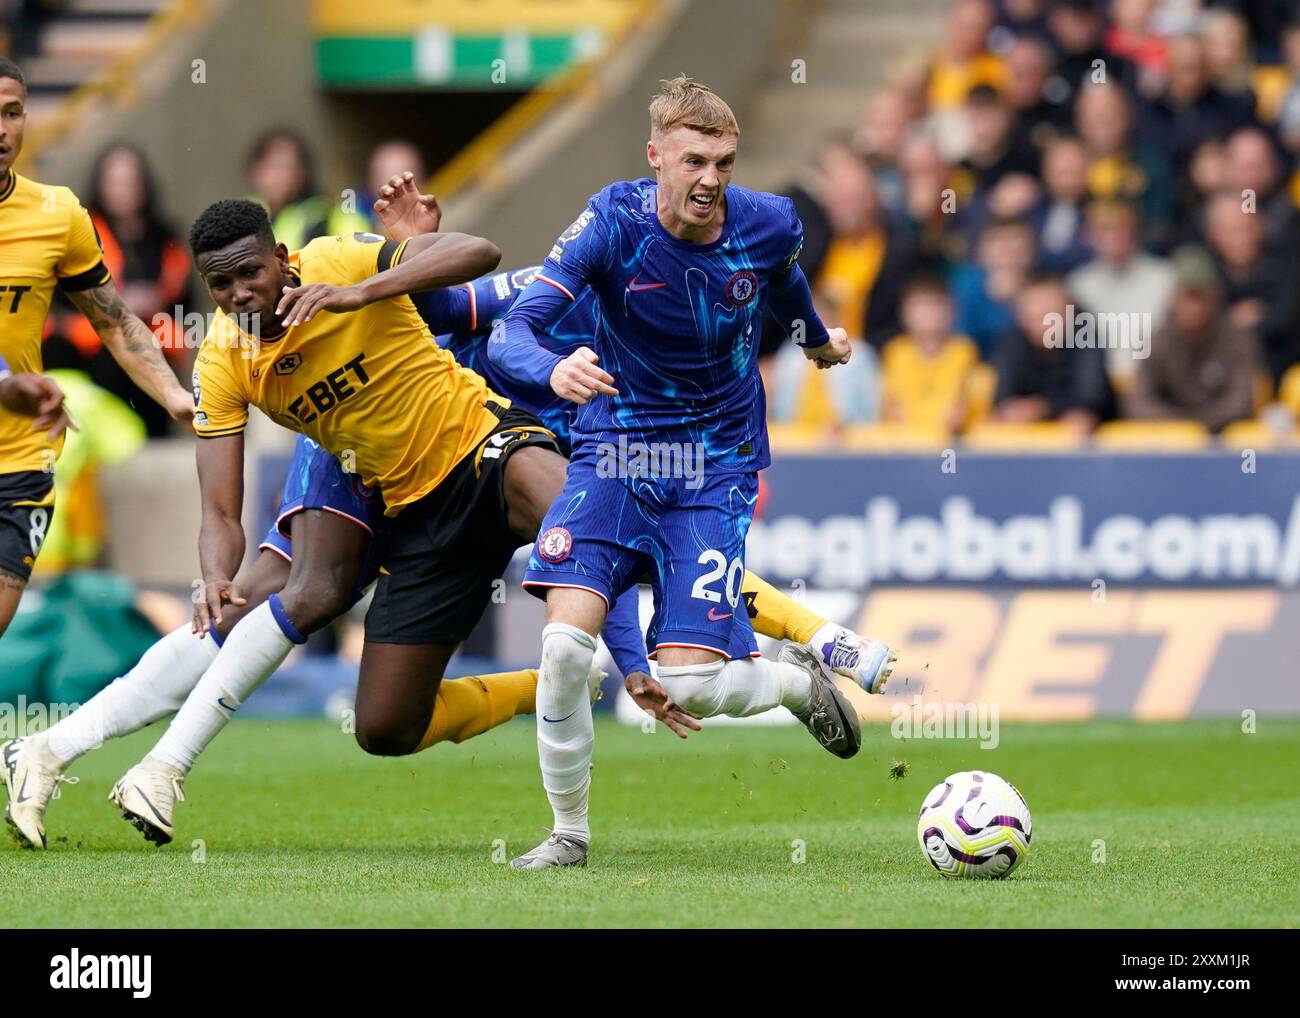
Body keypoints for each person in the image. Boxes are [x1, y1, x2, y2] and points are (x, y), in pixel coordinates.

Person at [3, 178, 893, 850]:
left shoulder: (575, 345)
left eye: (249, 275)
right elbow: (465, 284)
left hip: (476, 456)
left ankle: (816, 642)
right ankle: (91, 753)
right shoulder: (280, 340)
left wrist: (398, 268)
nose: (238, 295)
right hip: (373, 475)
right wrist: (404, 263)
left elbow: (469, 266)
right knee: (308, 637)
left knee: (596, 557)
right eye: (221, 284)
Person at [492, 77, 882, 870]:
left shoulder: (769, 223)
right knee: (566, 648)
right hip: (617, 450)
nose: (710, 178)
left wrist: (812, 342)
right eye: (695, 159)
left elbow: (784, 283)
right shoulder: (611, 223)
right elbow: (511, 336)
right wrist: (551, 369)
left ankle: (788, 683)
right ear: (656, 156)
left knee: (694, 686)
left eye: (725, 162)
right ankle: (570, 833)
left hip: (715, 463)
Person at [0, 58, 193, 639]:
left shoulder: (57, 214)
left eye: (11, 113)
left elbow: (117, 323)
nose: (1, 129)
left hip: (19, 460)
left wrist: (174, 396)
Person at [1126, 245, 1259, 433]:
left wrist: (1201, 424)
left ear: (1215, 297)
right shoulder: (1156, 340)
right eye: (1187, 297)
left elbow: (1242, 401)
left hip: (1222, 440)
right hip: (1170, 441)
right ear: (1172, 298)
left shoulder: (1236, 339)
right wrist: (1185, 426)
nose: (1193, 307)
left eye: (1200, 297)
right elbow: (1138, 402)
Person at [880, 274, 978, 433]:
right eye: (921, 306)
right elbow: (892, 405)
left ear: (952, 312)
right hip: (906, 439)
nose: (930, 314)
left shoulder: (963, 350)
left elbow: (959, 404)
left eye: (936, 306)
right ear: (905, 313)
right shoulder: (896, 352)